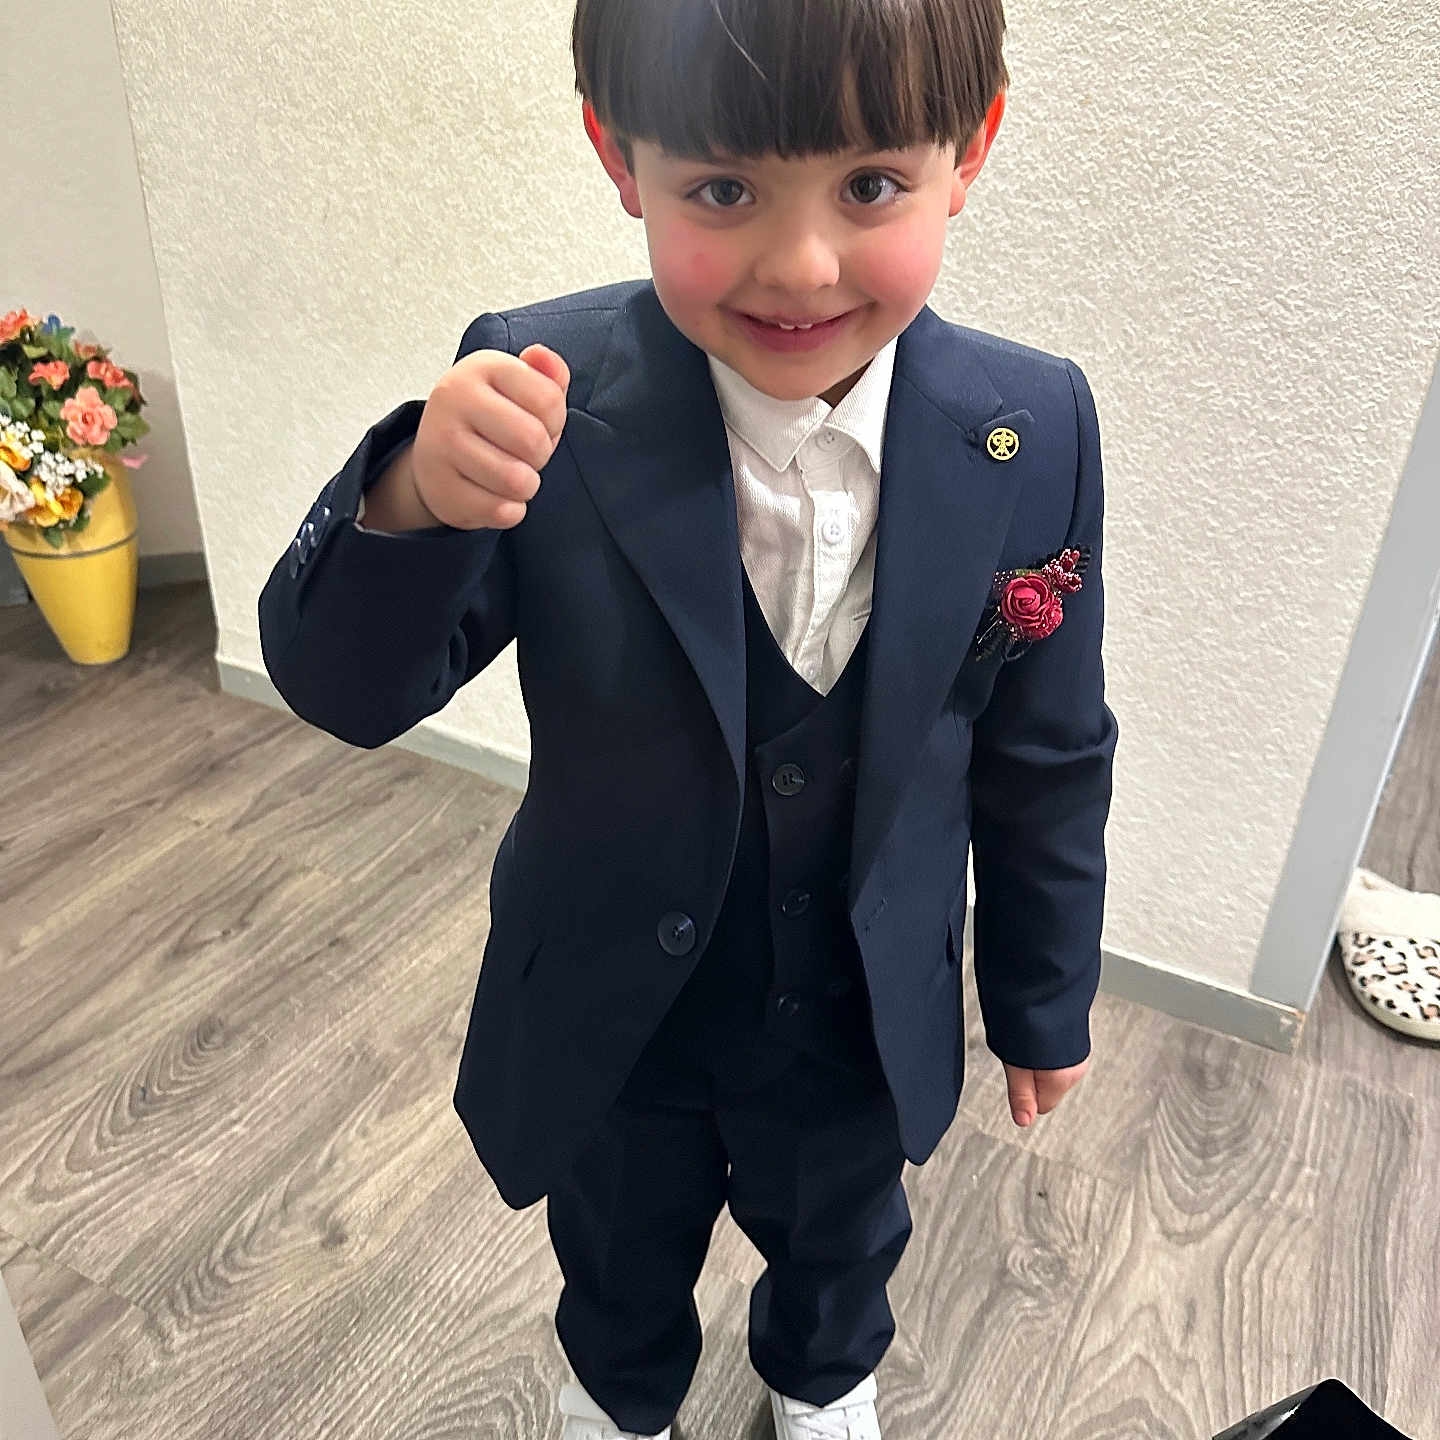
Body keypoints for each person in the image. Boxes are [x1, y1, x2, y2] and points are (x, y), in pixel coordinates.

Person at [258, 1, 1119, 1435]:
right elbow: (350, 694)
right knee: (616, 1248)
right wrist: (413, 495)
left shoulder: (1037, 425)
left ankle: (822, 1379)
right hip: (617, 1009)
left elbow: (1045, 751)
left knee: (846, 1239)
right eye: (723, 189)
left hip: (856, 1010)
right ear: (619, 156)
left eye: (870, 186)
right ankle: (618, 1388)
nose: (800, 264)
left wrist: (1043, 997)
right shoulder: (541, 388)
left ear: (970, 150)